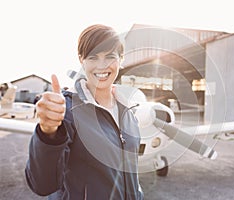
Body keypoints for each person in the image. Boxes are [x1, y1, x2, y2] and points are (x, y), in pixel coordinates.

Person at [25, 24, 144, 200]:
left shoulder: (129, 110)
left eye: (110, 56)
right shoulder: (67, 110)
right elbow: (42, 185)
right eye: (93, 57)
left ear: (121, 58)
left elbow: (131, 174)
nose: (102, 66)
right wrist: (47, 133)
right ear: (81, 60)